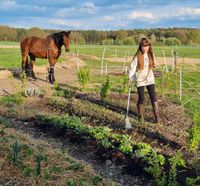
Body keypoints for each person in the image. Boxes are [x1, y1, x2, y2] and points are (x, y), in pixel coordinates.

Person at [128, 38, 160, 123]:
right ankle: (141, 117)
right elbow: (132, 68)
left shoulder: (151, 55)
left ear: (149, 46)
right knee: (142, 98)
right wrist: (130, 78)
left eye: (147, 46)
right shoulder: (137, 56)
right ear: (140, 47)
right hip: (140, 79)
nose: (145, 48)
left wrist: (154, 65)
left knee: (153, 96)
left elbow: (154, 64)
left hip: (149, 78)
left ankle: (157, 117)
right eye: (144, 46)